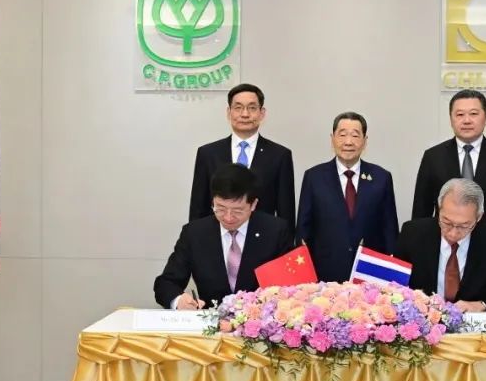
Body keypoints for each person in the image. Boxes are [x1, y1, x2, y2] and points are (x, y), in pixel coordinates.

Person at [410, 89, 486, 274]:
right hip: (443, 247)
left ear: (485, 118)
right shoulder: (433, 156)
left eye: (473, 114)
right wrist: (417, 252)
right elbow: (421, 210)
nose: (466, 120)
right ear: (451, 119)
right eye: (460, 114)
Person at [155, 164, 293, 309]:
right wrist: (179, 301)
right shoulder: (195, 233)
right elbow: (166, 283)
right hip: (209, 319)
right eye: (220, 208)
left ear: (253, 204)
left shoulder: (276, 231)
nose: (228, 217)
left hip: (259, 319)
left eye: (237, 211)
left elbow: (293, 286)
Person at [296, 112, 398, 282]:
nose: (348, 142)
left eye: (355, 135)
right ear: (332, 139)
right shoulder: (314, 177)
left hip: (369, 274)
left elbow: (390, 230)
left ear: (365, 141)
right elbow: (303, 230)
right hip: (325, 274)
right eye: (342, 135)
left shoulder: (382, 178)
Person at [395, 178, 486, 312]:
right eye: (446, 222)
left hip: (472, 324)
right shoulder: (412, 234)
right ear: (439, 209)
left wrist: (481, 305)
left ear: (479, 217)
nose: (453, 233)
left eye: (464, 225)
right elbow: (393, 289)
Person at [189, 83, 296, 229]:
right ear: (229, 112)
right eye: (238, 108)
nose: (245, 114)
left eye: (252, 108)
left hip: (264, 236)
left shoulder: (280, 155)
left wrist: (286, 240)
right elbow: (198, 209)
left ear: (262, 113)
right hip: (217, 237)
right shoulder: (208, 153)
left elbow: (286, 212)